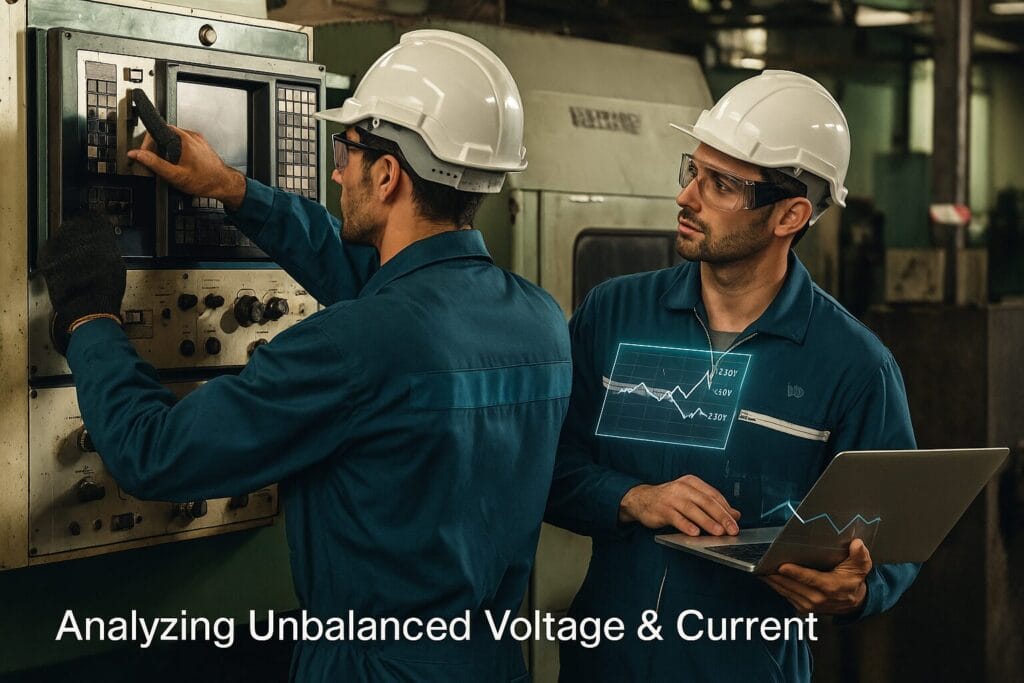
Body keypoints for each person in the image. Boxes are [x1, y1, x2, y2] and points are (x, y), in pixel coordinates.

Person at [39, 30, 571, 681]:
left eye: (347, 152)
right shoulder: (540, 320)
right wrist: (233, 190)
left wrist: (90, 318)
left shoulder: (357, 342)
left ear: (387, 175)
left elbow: (153, 452)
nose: (337, 171)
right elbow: (395, 292)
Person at [544, 70, 918, 682]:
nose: (686, 197)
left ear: (790, 215)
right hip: (606, 661)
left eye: (721, 185)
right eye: (693, 171)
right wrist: (634, 498)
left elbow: (893, 541)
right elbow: (545, 467)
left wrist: (859, 590)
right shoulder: (614, 314)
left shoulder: (853, 365)